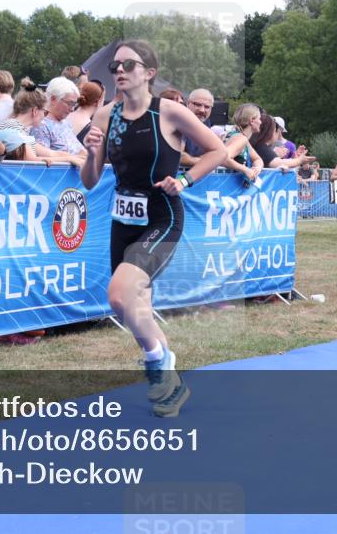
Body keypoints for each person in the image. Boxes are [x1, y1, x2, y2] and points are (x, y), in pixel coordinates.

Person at [81, 40, 226, 418]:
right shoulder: (103, 117)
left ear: (149, 72)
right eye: (115, 65)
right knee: (134, 306)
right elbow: (90, 180)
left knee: (119, 296)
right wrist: (93, 152)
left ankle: (158, 359)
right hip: (122, 219)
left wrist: (186, 180)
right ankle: (169, 381)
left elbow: (217, 151)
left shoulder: (170, 111)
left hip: (162, 215)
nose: (119, 71)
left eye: (129, 64)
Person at [0, 87, 85, 166]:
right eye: (45, 112)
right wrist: (69, 159)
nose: (45, 116)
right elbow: (31, 161)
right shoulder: (12, 128)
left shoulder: (18, 129)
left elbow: (50, 153)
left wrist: (79, 158)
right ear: (35, 111)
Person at [31, 77, 83, 154]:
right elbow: (44, 161)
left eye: (74, 104)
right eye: (70, 103)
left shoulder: (65, 123)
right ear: (53, 99)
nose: (72, 109)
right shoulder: (41, 126)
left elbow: (80, 151)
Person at [223, 103, 265, 187]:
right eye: (259, 119)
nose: (261, 122)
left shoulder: (241, 138)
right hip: (226, 187)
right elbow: (223, 158)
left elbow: (257, 159)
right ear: (252, 120)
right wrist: (245, 169)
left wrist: (257, 168)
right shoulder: (241, 139)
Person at [180, 88, 215, 167]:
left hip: (195, 175)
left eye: (207, 107)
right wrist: (207, 162)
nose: (202, 110)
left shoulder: (205, 121)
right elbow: (178, 155)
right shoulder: (180, 121)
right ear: (188, 103)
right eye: (198, 104)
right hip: (177, 176)